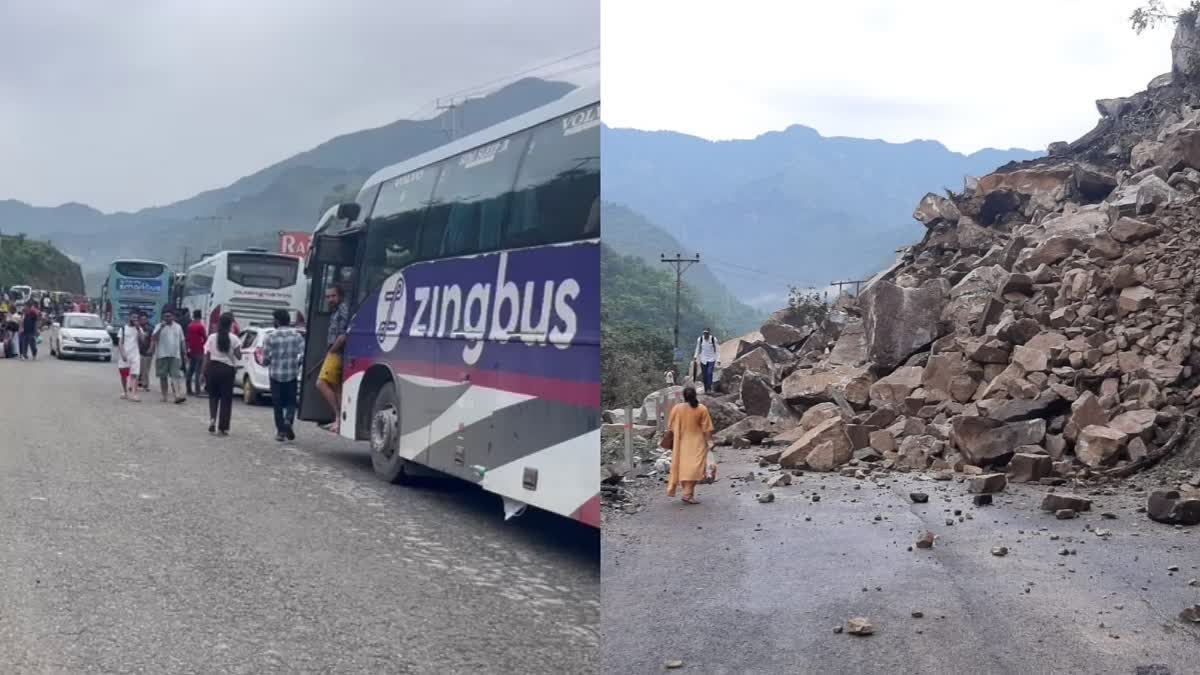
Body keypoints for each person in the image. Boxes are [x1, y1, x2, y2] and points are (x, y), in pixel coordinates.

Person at [665, 386, 715, 505]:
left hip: (680, 443)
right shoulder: (701, 409)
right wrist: (710, 442)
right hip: (696, 443)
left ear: (684, 396)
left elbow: (670, 426)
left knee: (683, 467)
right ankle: (688, 494)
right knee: (694, 468)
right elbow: (707, 428)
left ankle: (687, 493)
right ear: (695, 395)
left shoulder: (677, 408)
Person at [263, 308, 305, 442]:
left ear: (277, 320)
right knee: (291, 401)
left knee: (277, 403)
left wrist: (266, 362)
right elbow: (303, 354)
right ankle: (288, 421)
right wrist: (297, 363)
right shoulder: (297, 335)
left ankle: (280, 432)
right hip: (291, 374)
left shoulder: (270, 336)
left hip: (275, 374)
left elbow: (267, 357)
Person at [317, 284, 350, 433]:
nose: (330, 299)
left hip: (336, 352)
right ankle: (339, 421)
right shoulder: (336, 310)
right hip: (336, 352)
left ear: (340, 296)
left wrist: (331, 351)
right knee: (337, 387)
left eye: (333, 296)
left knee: (321, 383)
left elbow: (343, 335)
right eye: (328, 296)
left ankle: (338, 416)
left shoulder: (343, 309)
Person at [203, 312, 241, 435]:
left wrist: (204, 371)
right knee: (226, 399)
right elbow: (238, 356)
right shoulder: (234, 338)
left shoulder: (212, 337)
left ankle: (212, 420)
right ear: (231, 324)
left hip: (213, 368)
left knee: (213, 397)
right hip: (227, 370)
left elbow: (207, 355)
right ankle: (223, 427)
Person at [151, 308, 187, 404]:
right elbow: (154, 338)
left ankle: (177, 395)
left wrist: (185, 353)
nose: (167, 318)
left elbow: (182, 340)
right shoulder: (158, 326)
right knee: (163, 376)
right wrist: (161, 328)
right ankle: (164, 395)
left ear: (173, 317)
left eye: (169, 316)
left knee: (175, 376)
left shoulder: (178, 327)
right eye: (165, 316)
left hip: (175, 355)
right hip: (162, 354)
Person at [116, 313, 143, 401]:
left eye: (136, 318)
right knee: (124, 374)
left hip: (135, 354)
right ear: (129, 317)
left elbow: (142, 340)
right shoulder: (123, 328)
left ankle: (134, 394)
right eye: (133, 317)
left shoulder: (139, 329)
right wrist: (123, 353)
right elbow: (120, 343)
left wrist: (138, 329)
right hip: (125, 354)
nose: (135, 319)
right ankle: (125, 392)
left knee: (135, 374)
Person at [185, 309, 207, 396]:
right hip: (199, 350)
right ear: (200, 317)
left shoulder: (190, 326)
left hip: (191, 351)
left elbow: (187, 339)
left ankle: (188, 389)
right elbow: (205, 338)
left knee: (190, 370)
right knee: (198, 371)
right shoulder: (200, 326)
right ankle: (197, 390)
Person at [693, 328, 720, 395]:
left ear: (709, 333)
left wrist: (718, 359)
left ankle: (709, 389)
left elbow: (717, 349)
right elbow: (697, 348)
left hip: (711, 359)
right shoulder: (700, 339)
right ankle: (706, 389)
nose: (705, 335)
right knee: (704, 375)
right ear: (703, 333)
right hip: (703, 359)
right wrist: (695, 356)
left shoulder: (713, 339)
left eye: (707, 333)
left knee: (709, 373)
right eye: (704, 333)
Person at [137, 313, 154, 390]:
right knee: (138, 368)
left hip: (147, 352)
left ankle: (145, 384)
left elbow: (153, 340)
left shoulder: (150, 328)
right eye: (141, 319)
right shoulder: (137, 328)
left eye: (145, 319)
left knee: (146, 369)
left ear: (147, 319)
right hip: (138, 351)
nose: (143, 321)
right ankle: (137, 382)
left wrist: (151, 349)